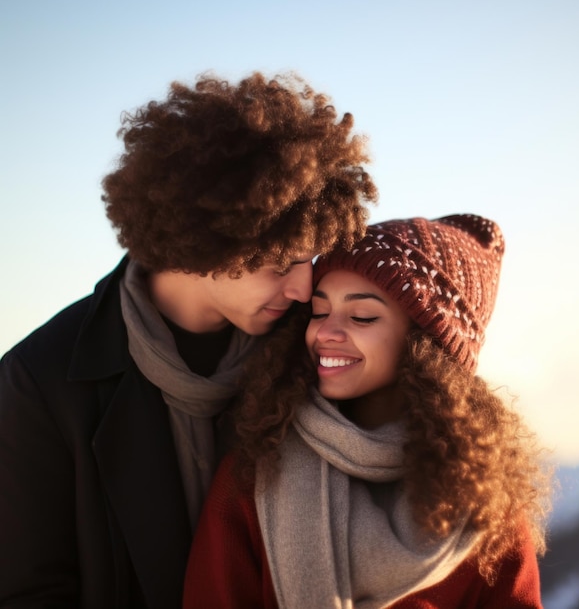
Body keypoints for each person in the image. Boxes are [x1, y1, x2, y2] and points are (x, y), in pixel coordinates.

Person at [0, 71, 377, 609]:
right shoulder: (38, 382)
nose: (302, 288)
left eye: (309, 261)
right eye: (278, 265)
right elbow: (28, 592)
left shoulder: (313, 345)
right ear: (202, 246)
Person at [183, 214, 554, 608]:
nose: (326, 332)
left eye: (361, 316)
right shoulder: (253, 475)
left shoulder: (487, 502)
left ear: (425, 346)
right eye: (319, 313)